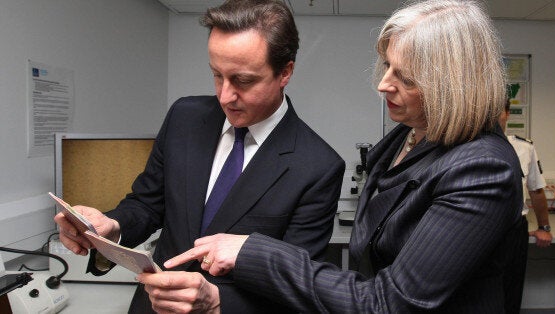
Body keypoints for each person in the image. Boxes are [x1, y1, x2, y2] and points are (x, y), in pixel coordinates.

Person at [150, 0, 526, 312]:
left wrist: (253, 251)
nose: (383, 83)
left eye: (406, 77)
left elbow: (389, 303)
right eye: (388, 66)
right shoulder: (405, 138)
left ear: (453, 85)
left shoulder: (483, 167)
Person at [53, 0, 345, 313]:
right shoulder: (184, 117)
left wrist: (218, 301)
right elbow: (147, 204)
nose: (225, 96)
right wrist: (111, 226)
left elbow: (296, 285)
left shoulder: (318, 166)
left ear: (285, 72)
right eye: (217, 75)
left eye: (243, 80)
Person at [499, 99, 553, 313]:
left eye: (498, 112)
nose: (494, 117)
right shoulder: (466, 146)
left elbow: (536, 190)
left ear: (508, 113)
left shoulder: (524, 147)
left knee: (511, 288)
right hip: (479, 228)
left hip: (513, 229)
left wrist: (544, 227)